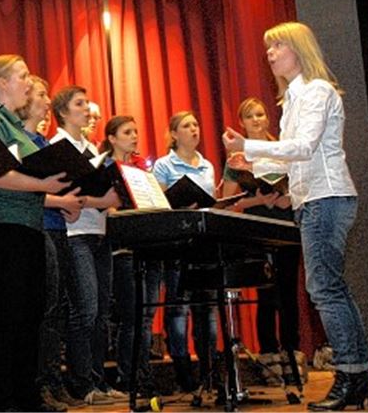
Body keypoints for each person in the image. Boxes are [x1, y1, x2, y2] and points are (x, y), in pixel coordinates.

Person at [223, 21, 368, 411]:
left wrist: (250, 145)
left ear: (298, 49)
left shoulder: (317, 91)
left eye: (277, 46)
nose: (270, 54)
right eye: (268, 48)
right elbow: (291, 163)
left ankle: (348, 375)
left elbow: (305, 147)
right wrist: (250, 162)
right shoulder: (291, 98)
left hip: (326, 197)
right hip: (312, 199)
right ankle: (360, 374)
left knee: (324, 289)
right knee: (332, 288)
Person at [0, 55, 70, 411]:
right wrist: (42, 181)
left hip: (26, 226)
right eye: (22, 76)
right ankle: (0, 399)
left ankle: (24, 395)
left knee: (29, 313)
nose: (28, 82)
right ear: (2, 83)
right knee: (4, 314)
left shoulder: (17, 126)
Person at [221, 97, 304, 387]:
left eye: (261, 114)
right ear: (241, 123)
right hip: (257, 231)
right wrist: (257, 198)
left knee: (289, 293)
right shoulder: (236, 159)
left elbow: (302, 185)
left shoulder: (282, 149)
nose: (257, 119)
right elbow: (227, 203)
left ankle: (292, 355)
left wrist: (287, 198)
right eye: (250, 116)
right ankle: (269, 355)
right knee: (267, 294)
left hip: (286, 226)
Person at [48, 86, 123, 405]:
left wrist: (110, 196)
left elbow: (104, 193)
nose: (87, 110)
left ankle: (99, 381)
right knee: (85, 309)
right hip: (74, 233)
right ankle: (81, 383)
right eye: (79, 104)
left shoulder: (92, 149)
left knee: (101, 311)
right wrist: (99, 199)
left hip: (99, 231)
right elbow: (65, 196)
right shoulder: (56, 146)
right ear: (63, 112)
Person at [17, 77, 86, 411]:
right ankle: (39, 383)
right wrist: (58, 202)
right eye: (42, 94)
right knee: (42, 307)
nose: (47, 101)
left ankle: (53, 379)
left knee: (56, 308)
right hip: (37, 226)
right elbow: (23, 189)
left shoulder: (44, 143)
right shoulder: (21, 142)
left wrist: (68, 203)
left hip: (57, 227)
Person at [152, 111, 220, 393]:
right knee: (178, 308)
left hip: (204, 243)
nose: (194, 129)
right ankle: (184, 375)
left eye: (196, 124)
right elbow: (157, 203)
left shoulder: (207, 166)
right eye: (186, 126)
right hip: (178, 243)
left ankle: (210, 372)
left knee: (207, 309)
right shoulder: (163, 165)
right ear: (174, 134)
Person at [99, 116, 163, 396]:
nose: (135, 136)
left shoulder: (144, 168)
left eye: (136, 131)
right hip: (124, 247)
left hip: (148, 245)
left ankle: (143, 374)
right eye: (127, 132)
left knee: (146, 316)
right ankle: (129, 376)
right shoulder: (105, 168)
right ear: (112, 138)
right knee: (131, 316)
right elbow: (107, 209)